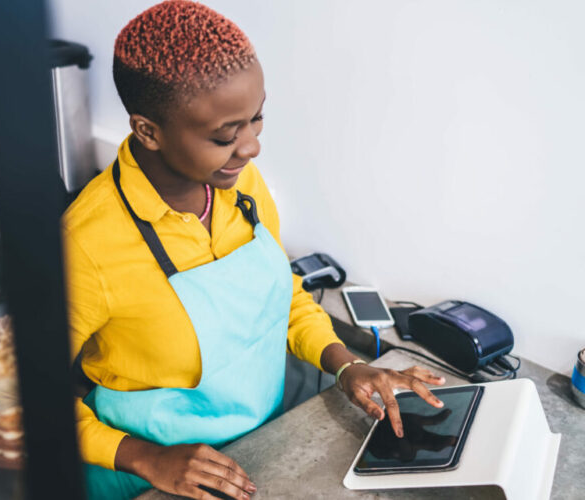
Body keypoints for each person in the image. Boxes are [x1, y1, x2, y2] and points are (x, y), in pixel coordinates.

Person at [63, 2, 446, 499]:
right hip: (151, 481)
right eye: (226, 135)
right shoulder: (85, 245)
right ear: (148, 131)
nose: (251, 148)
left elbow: (279, 295)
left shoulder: (240, 186)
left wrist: (345, 363)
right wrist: (145, 457)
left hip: (262, 442)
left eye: (256, 119)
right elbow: (18, 398)